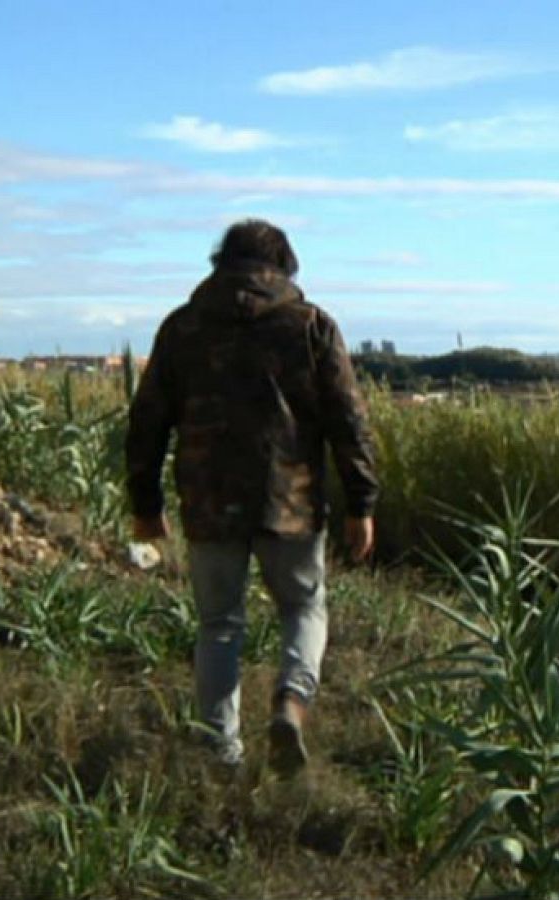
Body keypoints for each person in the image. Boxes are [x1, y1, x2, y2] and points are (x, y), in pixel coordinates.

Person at [124, 219, 378, 774]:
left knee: (218, 624)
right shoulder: (312, 326)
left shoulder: (182, 328)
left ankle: (220, 752)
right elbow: (349, 421)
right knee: (304, 607)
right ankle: (291, 699)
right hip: (291, 501)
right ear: (284, 266)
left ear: (221, 262)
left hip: (208, 502)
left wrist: (146, 505)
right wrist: (361, 503)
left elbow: (146, 422)